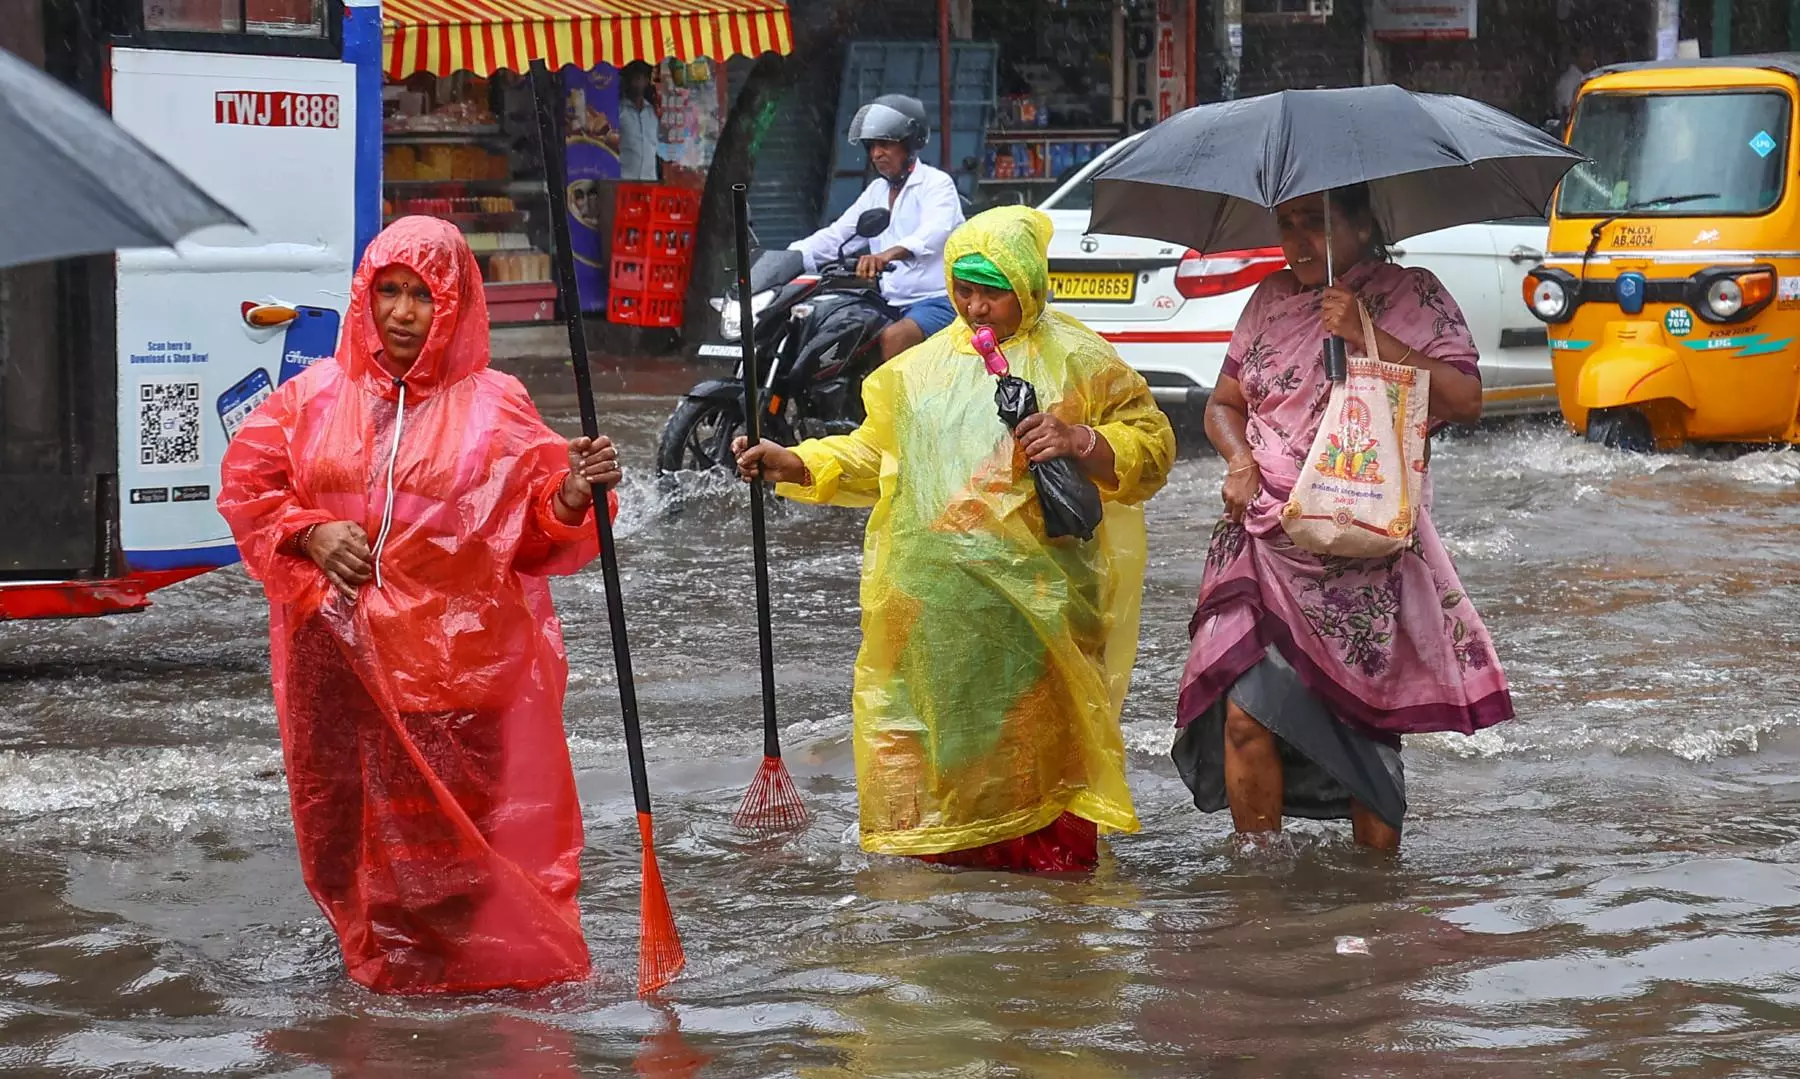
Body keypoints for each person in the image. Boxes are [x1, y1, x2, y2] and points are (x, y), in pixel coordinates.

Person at [217, 217, 622, 994]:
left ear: (455, 306)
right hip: (334, 679)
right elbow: (248, 490)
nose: (402, 313)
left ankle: (455, 1009)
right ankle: (389, 996)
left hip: (455, 686)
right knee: (354, 850)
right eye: (388, 292)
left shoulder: (496, 405)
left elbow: (535, 530)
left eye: (422, 297)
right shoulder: (309, 400)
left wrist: (572, 490)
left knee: (456, 861)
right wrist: (309, 531)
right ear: (364, 298)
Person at [737, 206, 1176, 871]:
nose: (975, 306)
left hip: (1040, 611)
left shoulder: (1082, 359)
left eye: (992, 290)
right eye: (963, 289)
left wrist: (1081, 439)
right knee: (949, 762)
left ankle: (1050, 926)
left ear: (1027, 285)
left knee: (1039, 764)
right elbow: (874, 458)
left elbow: (1153, 446)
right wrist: (796, 462)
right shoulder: (916, 375)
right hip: (937, 610)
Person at [1173, 185, 1514, 853]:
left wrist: (1367, 333)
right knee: (1243, 717)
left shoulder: (1411, 293)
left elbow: (1466, 400)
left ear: (1361, 226)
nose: (1299, 242)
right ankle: (1259, 884)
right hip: (1264, 536)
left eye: (1316, 224)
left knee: (1363, 729)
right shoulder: (1268, 299)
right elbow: (1223, 403)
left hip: (1362, 546)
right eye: (1287, 224)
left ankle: (1374, 895)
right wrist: (1238, 459)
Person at [790, 94, 965, 362]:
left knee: (894, 337)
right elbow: (839, 235)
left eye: (885, 144)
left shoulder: (936, 184)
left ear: (909, 145)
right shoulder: (876, 191)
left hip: (937, 300)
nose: (876, 154)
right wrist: (789, 258)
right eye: (871, 146)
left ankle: (889, 406)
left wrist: (887, 254)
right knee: (833, 327)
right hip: (887, 302)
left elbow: (934, 232)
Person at [618, 60, 660, 183]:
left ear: (647, 81)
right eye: (634, 79)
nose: (636, 83)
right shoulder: (620, 111)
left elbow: (655, 145)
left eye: (639, 79)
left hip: (649, 180)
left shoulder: (652, 113)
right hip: (625, 179)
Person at [1555, 45, 1597, 119]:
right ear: (1578, 58)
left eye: (1591, 56)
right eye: (1586, 56)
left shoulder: (1587, 77)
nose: (1590, 60)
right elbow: (1567, 110)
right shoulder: (1569, 80)